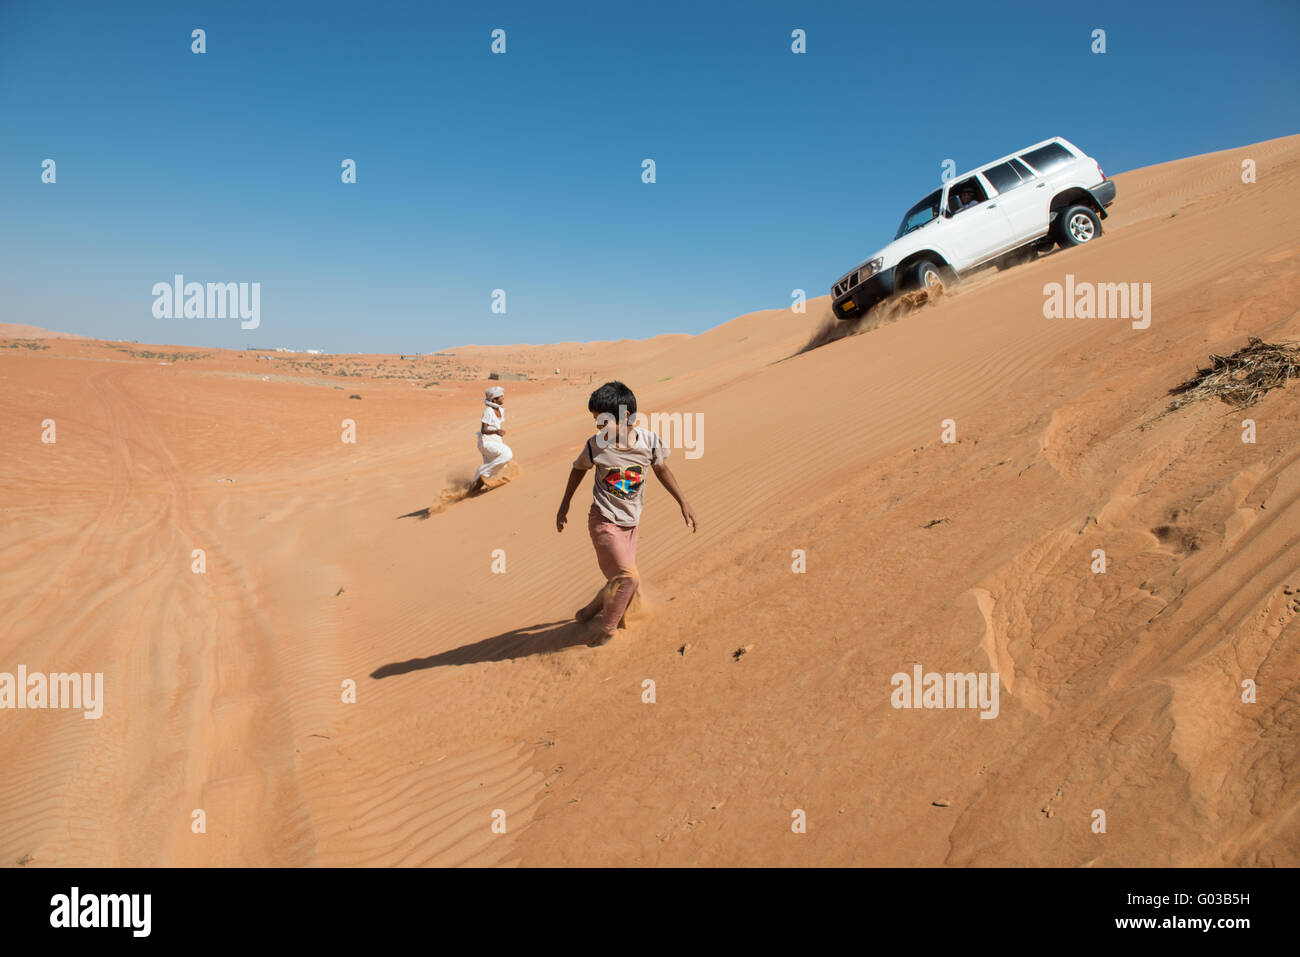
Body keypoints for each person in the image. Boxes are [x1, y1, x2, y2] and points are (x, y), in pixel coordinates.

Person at [556, 381, 697, 645]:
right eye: (596, 421)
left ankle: (587, 613)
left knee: (623, 579)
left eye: (604, 421)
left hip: (631, 524)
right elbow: (578, 470)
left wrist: (683, 502)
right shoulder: (595, 445)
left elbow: (661, 469)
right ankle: (607, 631)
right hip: (603, 521)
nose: (599, 427)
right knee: (629, 578)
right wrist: (565, 505)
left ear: (627, 418)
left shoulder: (649, 442)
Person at [468, 386, 512, 495]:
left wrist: (497, 433)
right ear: (494, 400)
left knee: (500, 466)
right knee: (507, 454)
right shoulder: (488, 411)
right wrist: (496, 431)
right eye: (500, 397)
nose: (503, 398)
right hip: (486, 442)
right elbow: (483, 430)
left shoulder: (500, 409)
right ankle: (481, 471)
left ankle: (472, 490)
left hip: (496, 441)